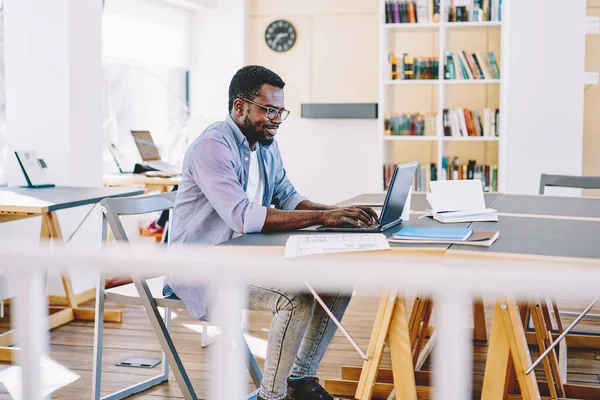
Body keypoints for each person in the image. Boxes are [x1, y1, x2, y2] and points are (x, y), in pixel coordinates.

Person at [165, 65, 378, 400]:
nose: (277, 118)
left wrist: (338, 214)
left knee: (336, 283)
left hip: (247, 259)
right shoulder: (212, 148)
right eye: (269, 109)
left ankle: (300, 381)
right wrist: (327, 216)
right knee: (293, 300)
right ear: (240, 107)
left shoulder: (265, 143)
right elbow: (242, 216)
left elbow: (289, 198)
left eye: (281, 110)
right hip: (203, 268)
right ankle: (272, 396)